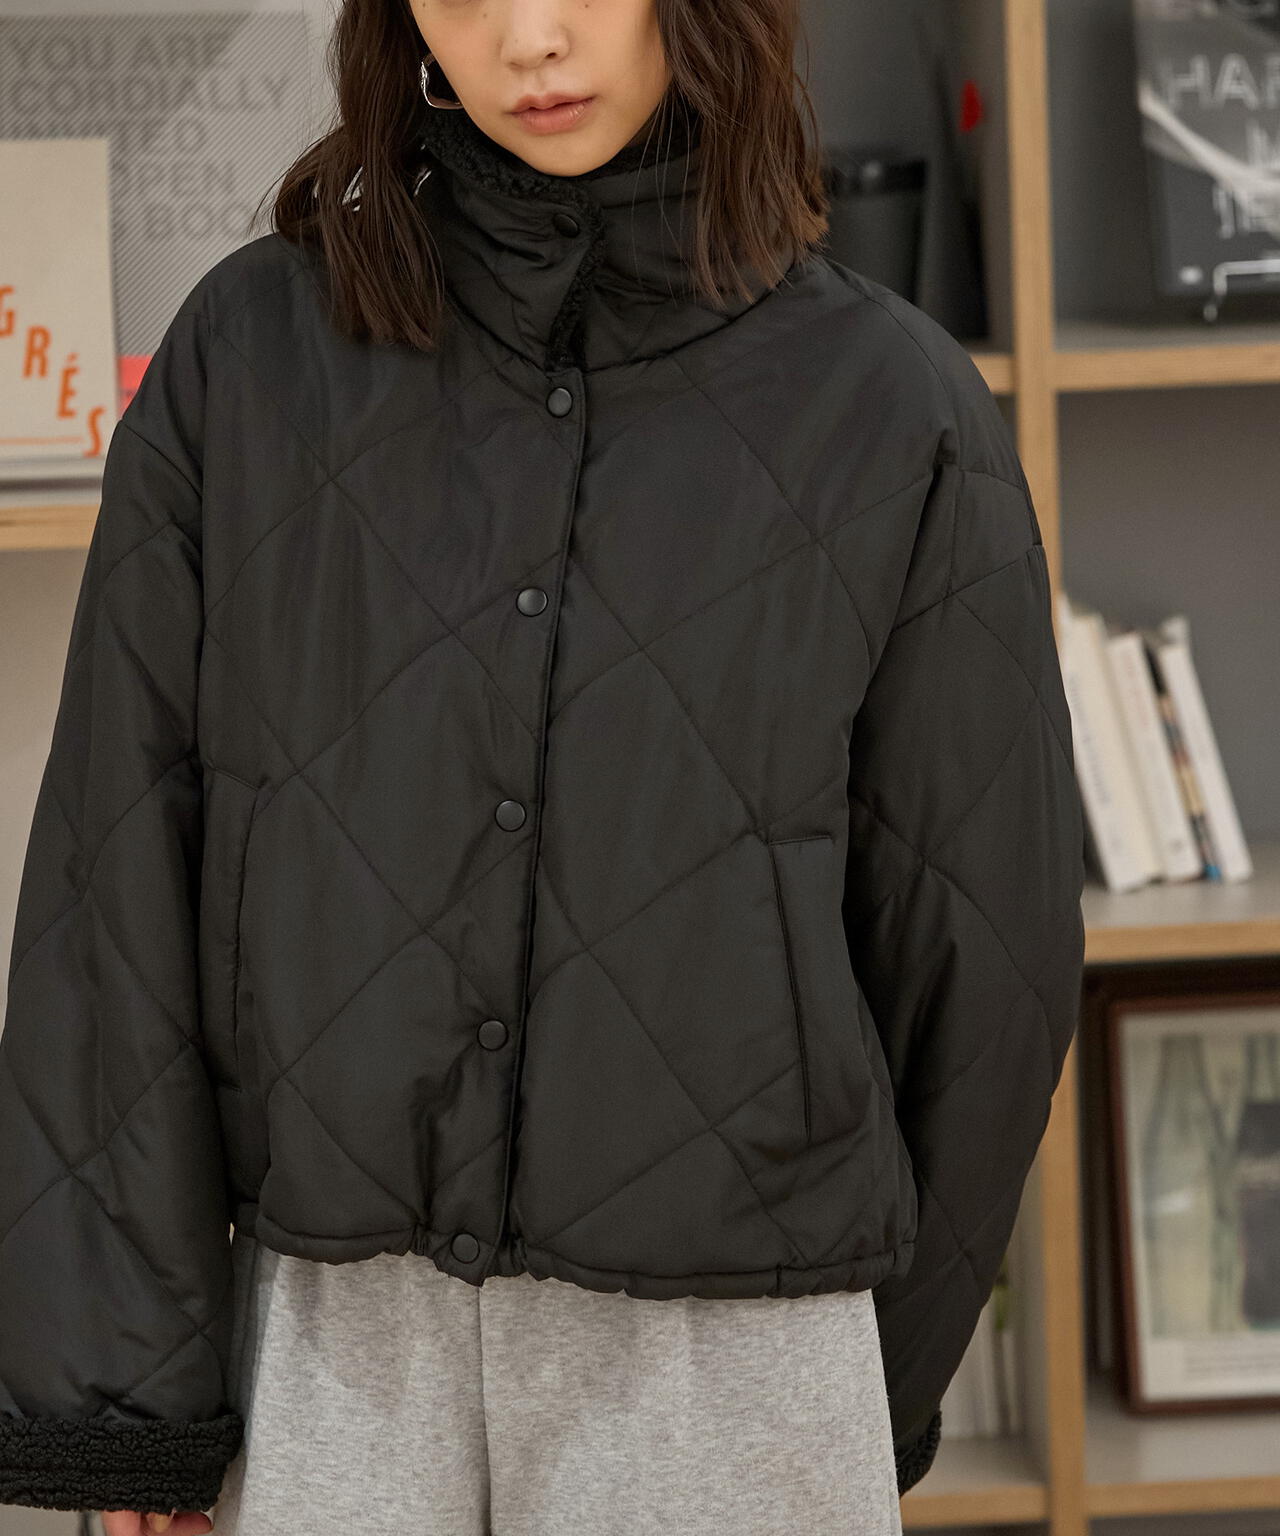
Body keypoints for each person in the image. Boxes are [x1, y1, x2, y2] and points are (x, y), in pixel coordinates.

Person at [0, 0, 1087, 1532]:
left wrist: (838, 1380)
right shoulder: (245, 367)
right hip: (330, 1359)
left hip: (732, 1374)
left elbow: (985, 962)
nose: (529, 37)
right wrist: (132, 1405)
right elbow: (115, 878)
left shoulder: (894, 409)